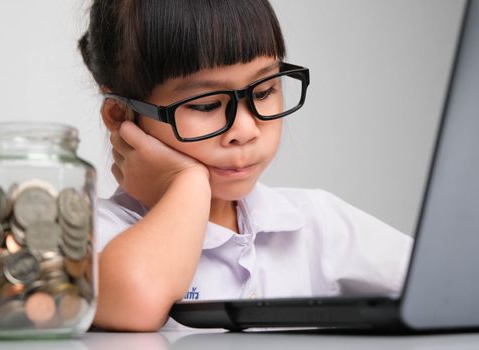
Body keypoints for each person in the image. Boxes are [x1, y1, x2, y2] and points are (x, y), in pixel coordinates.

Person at [78, 0, 412, 332]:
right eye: (206, 104)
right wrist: (188, 182)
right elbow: (135, 303)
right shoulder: (95, 235)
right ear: (120, 115)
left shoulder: (315, 223)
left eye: (265, 90)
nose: (247, 130)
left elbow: (447, 284)